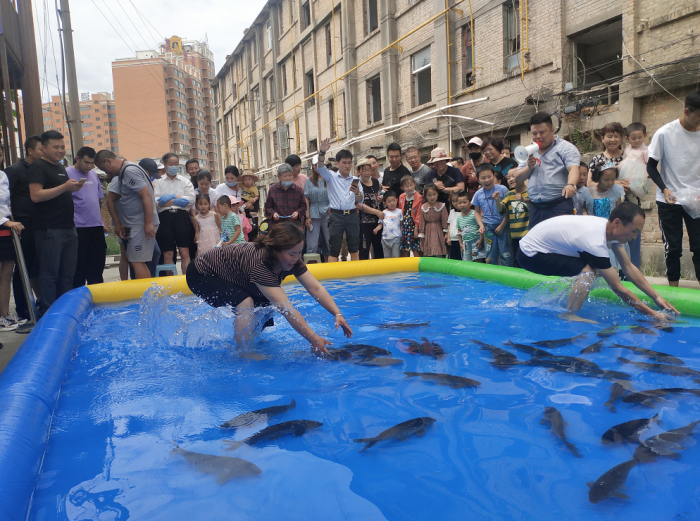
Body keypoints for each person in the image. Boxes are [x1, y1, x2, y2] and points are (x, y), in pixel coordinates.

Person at [186, 222, 353, 353]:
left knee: (264, 303)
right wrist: (314, 338)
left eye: (299, 253)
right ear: (275, 251)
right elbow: (286, 308)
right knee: (245, 302)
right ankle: (243, 351)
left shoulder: (292, 259)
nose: (297, 258)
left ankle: (252, 340)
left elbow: (315, 288)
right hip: (202, 274)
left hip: (234, 274)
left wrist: (337, 313)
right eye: (292, 253)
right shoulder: (261, 264)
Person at [517, 203, 677, 322]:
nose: (634, 237)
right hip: (530, 254)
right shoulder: (595, 241)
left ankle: (567, 301)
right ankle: (569, 313)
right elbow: (618, 288)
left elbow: (628, 267)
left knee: (592, 270)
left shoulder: (608, 229)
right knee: (589, 270)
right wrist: (652, 314)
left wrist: (656, 297)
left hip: (545, 246)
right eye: (634, 231)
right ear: (617, 223)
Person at [648, 90, 700, 287]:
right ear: (687, 111)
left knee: (699, 246)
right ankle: (673, 289)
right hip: (669, 199)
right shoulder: (665, 133)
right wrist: (664, 189)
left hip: (696, 198)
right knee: (673, 247)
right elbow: (651, 166)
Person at [28, 130, 84, 313]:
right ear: (43, 148)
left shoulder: (60, 167)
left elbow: (61, 192)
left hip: (68, 226)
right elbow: (35, 195)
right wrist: (64, 187)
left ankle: (65, 310)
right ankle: (49, 312)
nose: (60, 151)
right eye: (56, 147)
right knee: (50, 273)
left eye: (62, 147)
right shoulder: (38, 167)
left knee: (68, 273)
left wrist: (73, 188)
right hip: (49, 229)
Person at [97, 150, 160, 280]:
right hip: (135, 223)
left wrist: (148, 223)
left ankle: (148, 296)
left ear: (108, 161)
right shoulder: (124, 172)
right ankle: (147, 294)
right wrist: (122, 223)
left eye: (104, 168)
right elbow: (121, 200)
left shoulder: (130, 171)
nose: (105, 172)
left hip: (141, 224)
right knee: (135, 260)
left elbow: (146, 195)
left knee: (137, 261)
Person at [512, 113, 581, 229]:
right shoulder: (529, 150)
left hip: (558, 205)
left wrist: (570, 185)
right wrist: (528, 167)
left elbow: (573, 168)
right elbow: (517, 177)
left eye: (542, 132)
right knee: (536, 244)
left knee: (560, 243)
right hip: (535, 208)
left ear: (552, 130)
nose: (538, 136)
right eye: (534, 133)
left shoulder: (565, 148)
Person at [5, 135, 43, 325]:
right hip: (21, 225)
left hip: (39, 224)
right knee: (22, 269)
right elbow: (5, 200)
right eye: (40, 149)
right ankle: (23, 309)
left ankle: (37, 303)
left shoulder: (41, 169)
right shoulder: (14, 171)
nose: (43, 153)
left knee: (37, 267)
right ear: (30, 150)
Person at [66, 147, 108, 287]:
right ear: (77, 158)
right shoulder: (67, 173)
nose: (89, 166)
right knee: (79, 265)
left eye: (92, 164)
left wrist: (102, 221)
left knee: (97, 262)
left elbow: (98, 200)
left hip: (95, 226)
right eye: (86, 162)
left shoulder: (93, 175)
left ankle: (97, 293)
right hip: (78, 226)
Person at [315, 139, 362, 262]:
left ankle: (355, 278)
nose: (347, 165)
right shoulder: (331, 177)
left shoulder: (355, 179)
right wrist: (322, 152)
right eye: (344, 163)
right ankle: (332, 279)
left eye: (349, 163)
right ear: (337, 163)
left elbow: (360, 200)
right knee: (334, 249)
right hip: (336, 215)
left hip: (352, 214)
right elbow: (320, 167)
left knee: (354, 248)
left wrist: (358, 193)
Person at [154, 152, 196, 274]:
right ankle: (171, 284)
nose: (174, 166)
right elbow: (156, 201)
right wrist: (177, 199)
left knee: (184, 251)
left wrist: (167, 199)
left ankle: (186, 281)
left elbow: (191, 200)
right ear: (165, 165)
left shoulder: (185, 181)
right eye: (171, 163)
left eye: (176, 164)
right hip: (164, 218)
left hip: (182, 218)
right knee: (168, 253)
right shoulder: (158, 181)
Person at [618, 122, 649, 270]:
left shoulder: (646, 151)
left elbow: (647, 174)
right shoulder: (627, 149)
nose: (636, 141)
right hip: (621, 188)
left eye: (639, 138)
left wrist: (634, 187)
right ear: (627, 139)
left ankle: (633, 269)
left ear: (645, 136)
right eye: (633, 138)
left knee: (632, 229)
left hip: (635, 190)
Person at [0, 168, 25, 330]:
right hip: (4, 224)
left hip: (6, 227)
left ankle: (5, 314)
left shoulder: (2, 175)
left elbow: (6, 205)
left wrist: (12, 222)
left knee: (7, 274)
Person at [473, 164, 510, 266]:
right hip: (488, 227)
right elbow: (476, 212)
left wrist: (502, 225)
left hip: (503, 225)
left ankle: (508, 277)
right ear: (478, 179)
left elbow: (508, 210)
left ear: (494, 176)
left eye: (489, 176)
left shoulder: (502, 189)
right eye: (483, 178)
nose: (487, 180)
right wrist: (481, 225)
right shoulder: (478, 194)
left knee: (506, 253)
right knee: (490, 255)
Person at [496, 171, 530, 268]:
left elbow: (535, 205)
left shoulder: (530, 192)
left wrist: (523, 200)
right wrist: (497, 200)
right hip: (514, 235)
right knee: (517, 259)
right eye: (508, 177)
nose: (510, 179)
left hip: (528, 233)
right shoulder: (509, 194)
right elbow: (501, 210)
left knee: (528, 258)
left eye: (513, 176)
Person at [356, 157, 384, 260]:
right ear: (358, 171)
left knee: (379, 250)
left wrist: (381, 199)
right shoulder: (356, 183)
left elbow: (380, 194)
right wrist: (376, 212)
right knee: (364, 251)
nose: (367, 173)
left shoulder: (375, 181)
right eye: (363, 170)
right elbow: (357, 204)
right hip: (364, 223)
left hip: (378, 222)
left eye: (368, 169)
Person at [264, 164, 307, 230]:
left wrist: (297, 212)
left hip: (295, 226)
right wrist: (273, 214)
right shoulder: (272, 189)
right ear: (279, 177)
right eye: (285, 176)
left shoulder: (298, 190)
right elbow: (267, 206)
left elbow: (303, 206)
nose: (288, 178)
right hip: (277, 226)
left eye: (290, 175)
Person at [304, 158, 330, 261]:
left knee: (330, 241)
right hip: (313, 212)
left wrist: (331, 206)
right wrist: (307, 216)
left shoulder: (329, 179)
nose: (318, 166)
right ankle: (311, 268)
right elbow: (306, 198)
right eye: (316, 164)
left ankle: (332, 267)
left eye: (320, 164)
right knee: (312, 243)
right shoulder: (309, 181)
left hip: (328, 212)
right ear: (313, 166)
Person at [587, 122, 624, 188]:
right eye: (609, 136)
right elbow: (589, 184)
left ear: (621, 139)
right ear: (603, 139)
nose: (613, 139)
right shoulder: (597, 159)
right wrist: (613, 184)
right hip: (603, 197)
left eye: (616, 136)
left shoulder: (627, 157)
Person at [418, 184, 449, 258]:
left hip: (439, 231)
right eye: (429, 195)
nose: (432, 197)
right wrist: (421, 233)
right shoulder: (423, 207)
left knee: (439, 252)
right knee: (428, 253)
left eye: (434, 194)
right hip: (428, 231)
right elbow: (422, 221)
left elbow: (445, 220)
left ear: (437, 194)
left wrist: (446, 232)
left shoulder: (441, 206)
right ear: (425, 196)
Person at [398, 175, 422, 257]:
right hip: (405, 224)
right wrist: (400, 225)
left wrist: (416, 227)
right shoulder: (401, 196)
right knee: (405, 248)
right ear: (402, 187)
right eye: (406, 186)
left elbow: (419, 214)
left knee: (415, 247)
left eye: (411, 185)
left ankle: (417, 266)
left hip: (413, 224)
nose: (409, 188)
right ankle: (405, 267)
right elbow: (400, 211)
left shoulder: (418, 197)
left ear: (414, 184)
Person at [375, 191, 402, 258]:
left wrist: (401, 233)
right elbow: (381, 223)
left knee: (395, 256)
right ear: (385, 203)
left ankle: (396, 268)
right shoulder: (383, 212)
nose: (392, 203)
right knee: (386, 257)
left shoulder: (399, 211)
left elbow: (401, 223)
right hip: (385, 238)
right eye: (389, 202)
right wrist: (376, 229)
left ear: (397, 200)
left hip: (396, 237)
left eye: (393, 200)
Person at [456, 191, 480, 262]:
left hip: (475, 241)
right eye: (460, 203)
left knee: (477, 259)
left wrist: (481, 240)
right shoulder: (459, 217)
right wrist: (460, 243)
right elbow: (459, 230)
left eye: (464, 202)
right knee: (466, 261)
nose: (462, 205)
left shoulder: (474, 214)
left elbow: (480, 227)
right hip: (465, 243)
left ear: (470, 203)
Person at [240, 170, 260, 240]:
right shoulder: (242, 186)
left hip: (250, 202)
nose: (247, 181)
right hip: (243, 200)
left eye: (249, 179)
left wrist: (254, 199)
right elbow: (237, 183)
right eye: (245, 180)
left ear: (253, 180)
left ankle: (250, 222)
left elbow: (257, 196)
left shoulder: (254, 188)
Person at [446, 192, 462, 260]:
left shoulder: (464, 212)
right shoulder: (452, 211)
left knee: (461, 257)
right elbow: (449, 224)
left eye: (457, 201)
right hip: (452, 239)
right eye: (453, 201)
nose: (455, 203)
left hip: (460, 240)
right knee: (453, 257)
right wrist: (448, 237)